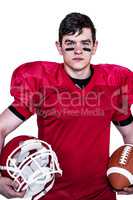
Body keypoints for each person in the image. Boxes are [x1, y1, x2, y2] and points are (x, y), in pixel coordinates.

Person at [0, 12, 133, 200]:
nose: (78, 51)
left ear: (94, 47)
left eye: (85, 44)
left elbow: (129, 133)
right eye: (70, 44)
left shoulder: (112, 83)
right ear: (59, 47)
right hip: (51, 193)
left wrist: (130, 173)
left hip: (101, 193)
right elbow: (2, 127)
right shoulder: (42, 83)